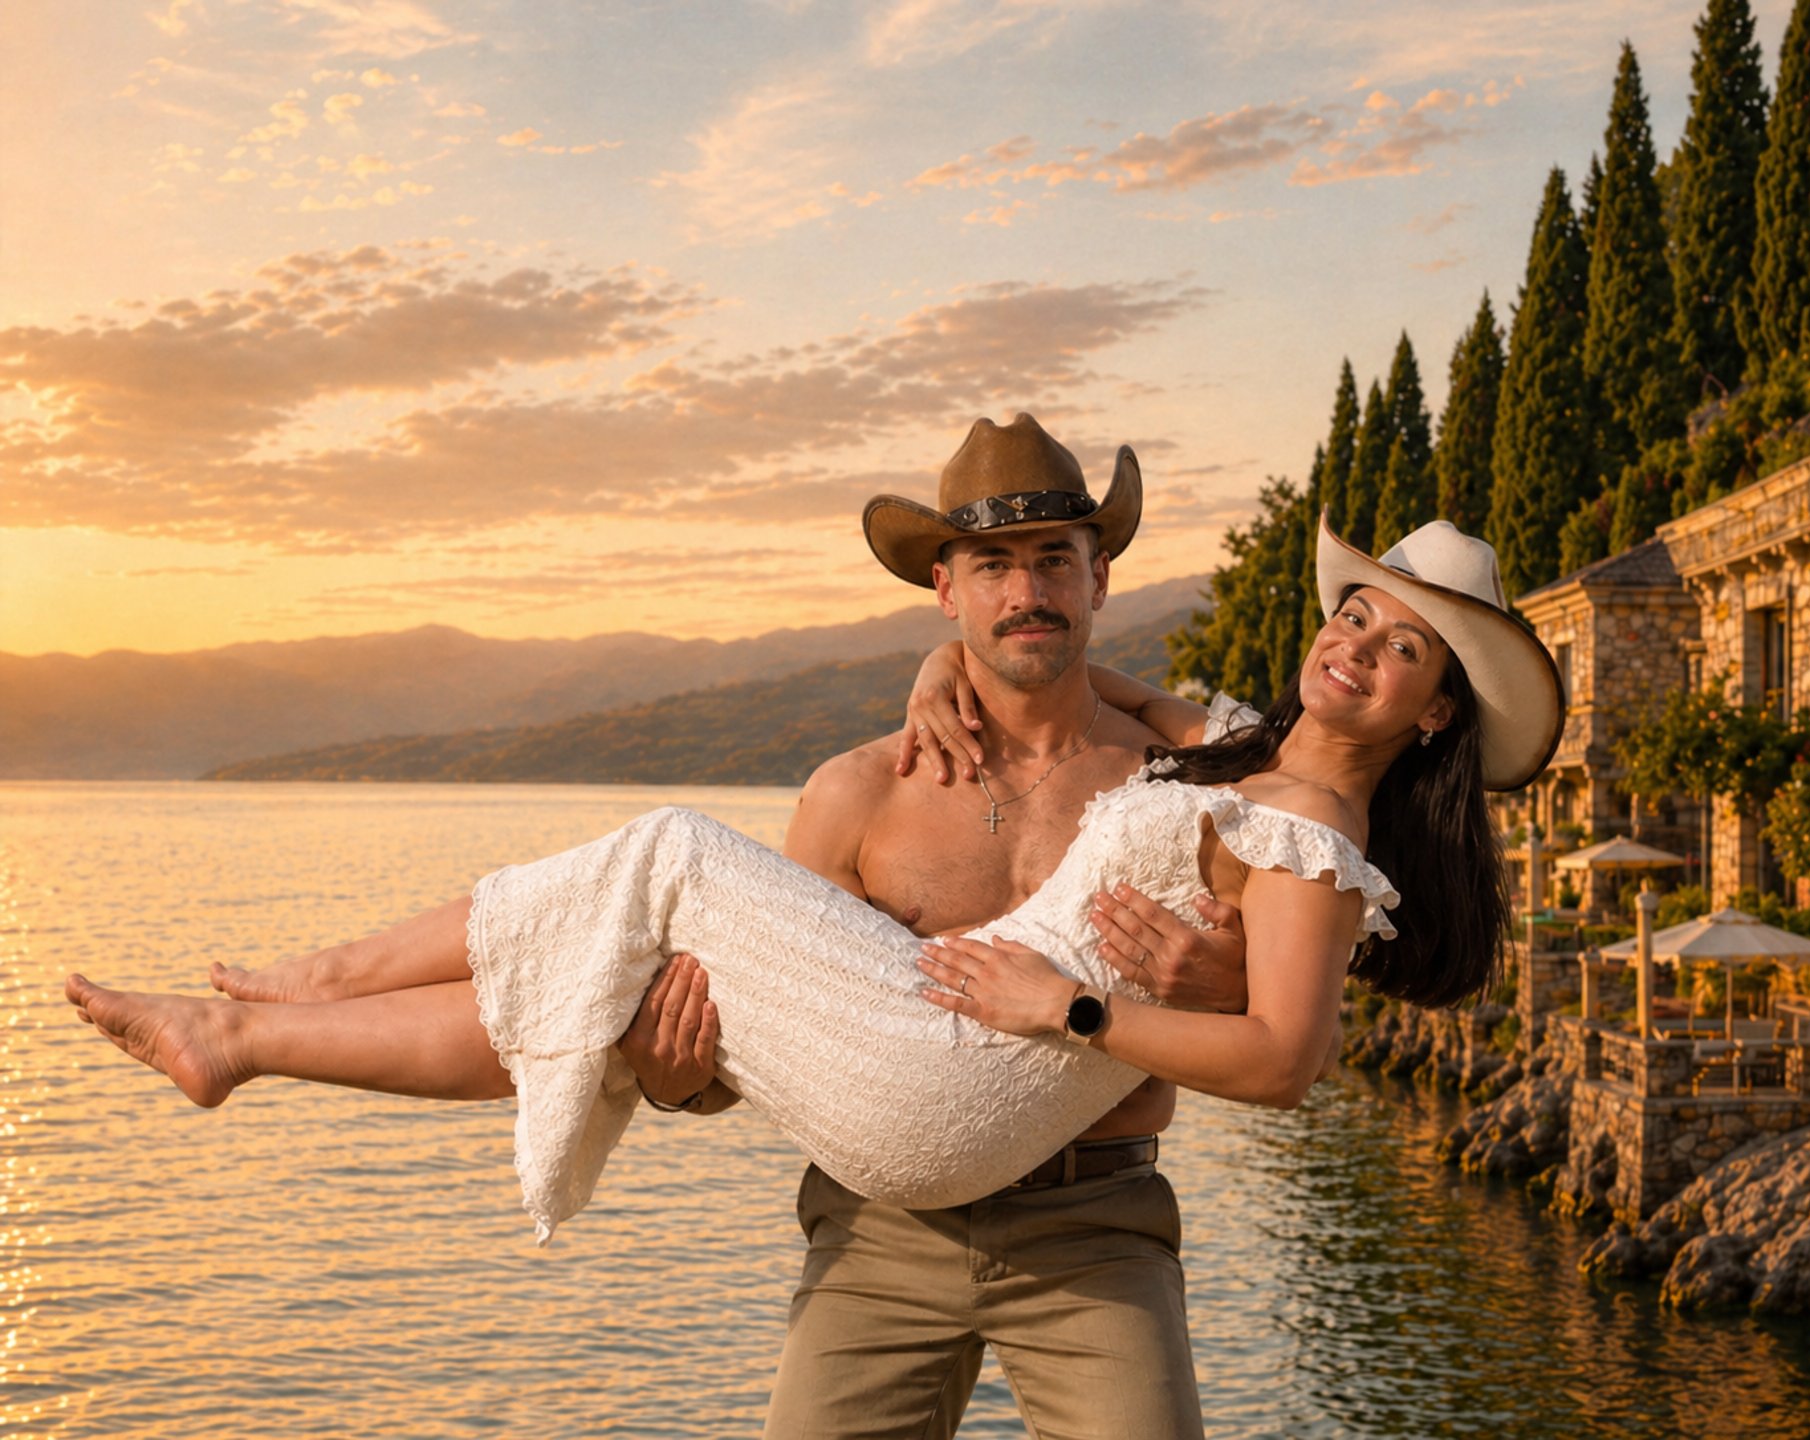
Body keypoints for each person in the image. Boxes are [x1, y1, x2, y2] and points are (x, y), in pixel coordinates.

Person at [66, 415, 1562, 1435]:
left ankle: (280, 1006)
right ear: (944, 591)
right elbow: (729, 1069)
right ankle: (252, 1030)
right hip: (882, 1218)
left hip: (1088, 1218)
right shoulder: (1129, 757)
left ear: (1100, 578)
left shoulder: (1237, 794)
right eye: (992, 566)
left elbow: (1286, 1050)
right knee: (621, 975)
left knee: (661, 853)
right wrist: (672, 1072)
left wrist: (1091, 1006)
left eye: (1054, 559)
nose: (1028, 592)